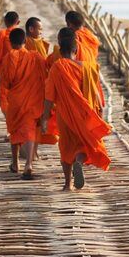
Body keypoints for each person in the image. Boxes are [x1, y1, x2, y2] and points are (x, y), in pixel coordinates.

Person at [40, 28, 110, 190]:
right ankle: (79, 161)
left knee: (66, 146)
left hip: (64, 114)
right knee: (83, 144)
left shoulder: (57, 67)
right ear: (76, 50)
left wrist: (44, 118)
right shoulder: (88, 67)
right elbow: (96, 92)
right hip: (85, 113)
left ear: (60, 49)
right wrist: (99, 112)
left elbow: (49, 96)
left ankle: (67, 184)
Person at [0, 28, 50, 179]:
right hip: (34, 98)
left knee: (14, 128)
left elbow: (6, 81)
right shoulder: (36, 57)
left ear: (11, 42)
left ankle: (15, 162)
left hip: (16, 99)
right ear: (25, 42)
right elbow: (45, 76)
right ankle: (28, 162)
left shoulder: (10, 57)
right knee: (30, 129)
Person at [0, 11, 20, 115]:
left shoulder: (1, 35)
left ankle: (9, 120)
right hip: (18, 73)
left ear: (4, 21)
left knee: (5, 100)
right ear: (18, 22)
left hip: (4, 72)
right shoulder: (20, 35)